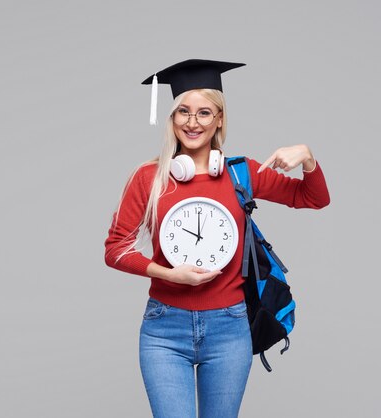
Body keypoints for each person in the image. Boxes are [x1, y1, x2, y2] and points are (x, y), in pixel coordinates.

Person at [104, 59, 330, 418]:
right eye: (183, 112)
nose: (192, 123)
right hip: (165, 329)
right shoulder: (149, 178)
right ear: (172, 117)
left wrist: (308, 157)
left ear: (220, 119)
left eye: (204, 113)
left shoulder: (242, 173)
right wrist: (167, 274)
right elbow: (115, 249)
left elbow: (313, 198)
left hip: (229, 329)